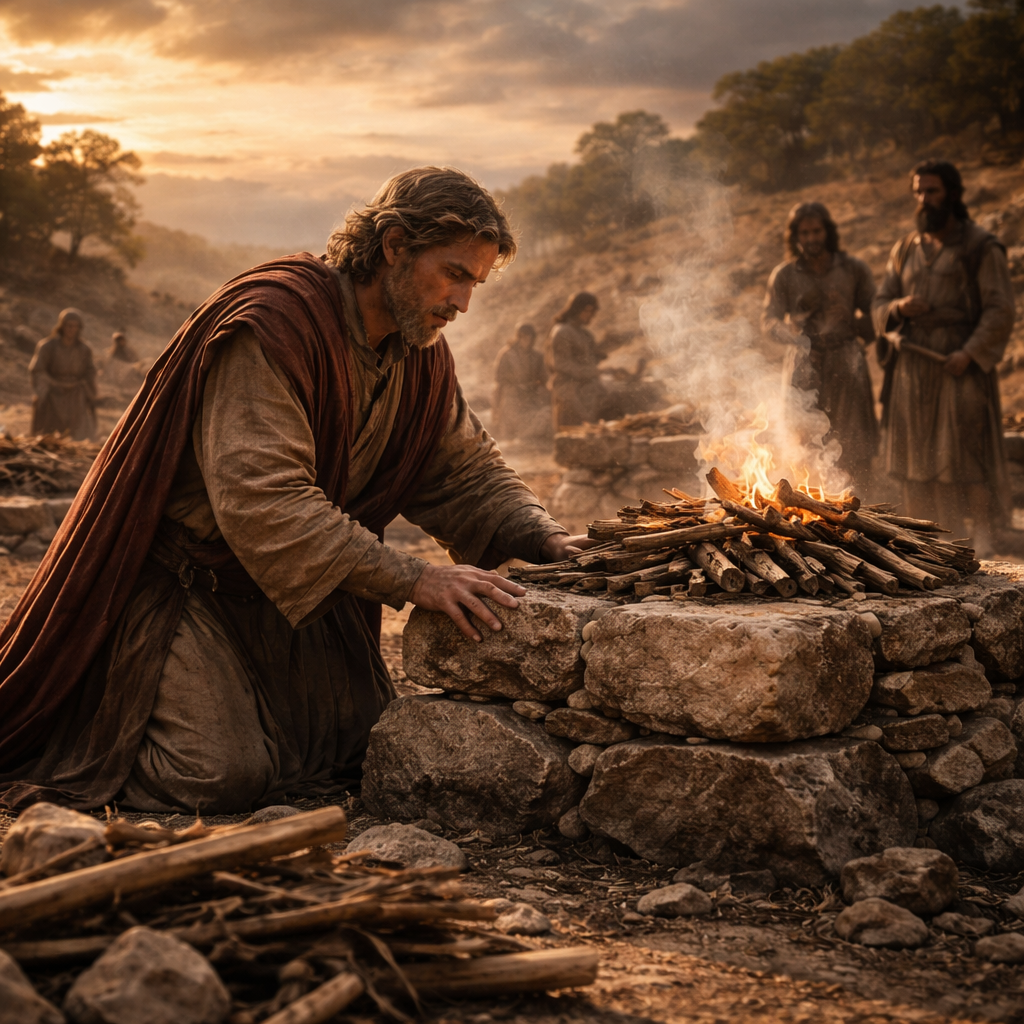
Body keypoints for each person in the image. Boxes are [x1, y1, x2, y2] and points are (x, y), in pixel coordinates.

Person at [0, 167, 591, 814]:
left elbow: (464, 473)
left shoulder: (416, 349)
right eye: (453, 274)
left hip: (294, 604)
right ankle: (106, 716)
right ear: (394, 245)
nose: (463, 303)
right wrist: (414, 580)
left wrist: (544, 535)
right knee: (216, 777)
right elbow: (265, 502)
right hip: (191, 590)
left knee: (361, 751)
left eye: (474, 283)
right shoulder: (276, 324)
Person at [872, 160, 1016, 549]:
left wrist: (969, 353)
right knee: (915, 460)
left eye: (931, 191)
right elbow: (880, 302)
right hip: (913, 369)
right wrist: (899, 307)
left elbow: (1000, 309)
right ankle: (929, 541)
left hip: (958, 368)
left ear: (952, 194)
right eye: (918, 191)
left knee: (967, 458)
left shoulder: (980, 247)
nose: (923, 199)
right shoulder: (905, 248)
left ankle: (983, 542)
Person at [762, 202, 878, 490]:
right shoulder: (785, 275)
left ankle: (861, 513)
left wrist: (850, 318)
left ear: (827, 232)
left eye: (816, 231)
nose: (811, 238)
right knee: (804, 444)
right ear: (795, 236)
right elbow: (768, 320)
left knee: (854, 445)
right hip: (804, 364)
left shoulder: (853, 270)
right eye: (804, 233)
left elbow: (879, 316)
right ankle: (811, 514)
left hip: (846, 361)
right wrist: (792, 334)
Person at [545, 292, 617, 430]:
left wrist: (601, 354)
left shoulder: (584, 334)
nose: (592, 317)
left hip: (588, 389)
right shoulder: (562, 332)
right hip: (570, 391)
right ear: (581, 309)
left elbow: (586, 360)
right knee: (574, 434)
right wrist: (594, 371)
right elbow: (561, 365)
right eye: (590, 312)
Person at [28, 308, 98, 441]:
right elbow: (38, 370)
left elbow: (90, 371)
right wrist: (52, 383)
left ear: (79, 328)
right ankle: (46, 435)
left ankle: (78, 439)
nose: (71, 329)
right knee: (45, 406)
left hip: (76, 390)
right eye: (69, 325)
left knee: (81, 411)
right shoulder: (47, 346)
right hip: (53, 388)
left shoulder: (84, 349)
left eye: (75, 326)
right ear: (62, 326)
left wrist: (83, 383)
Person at [491, 322, 548, 439]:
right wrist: (496, 409)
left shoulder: (537, 356)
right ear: (519, 337)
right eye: (525, 337)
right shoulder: (507, 355)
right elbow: (499, 381)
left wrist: (533, 387)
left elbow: (544, 380)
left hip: (531, 399)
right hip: (511, 399)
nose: (528, 341)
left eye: (531, 338)